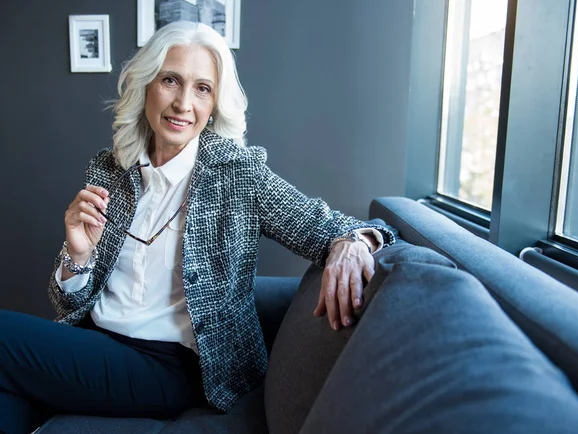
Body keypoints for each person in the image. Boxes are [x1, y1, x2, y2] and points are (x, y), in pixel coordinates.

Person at [0, 21, 394, 433]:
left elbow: (337, 226)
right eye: (171, 80)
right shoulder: (111, 170)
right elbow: (68, 307)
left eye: (202, 88)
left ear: (214, 104)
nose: (183, 103)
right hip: (97, 342)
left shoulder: (238, 176)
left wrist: (356, 241)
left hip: (174, 366)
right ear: (147, 85)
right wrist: (77, 257)